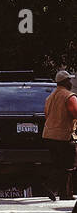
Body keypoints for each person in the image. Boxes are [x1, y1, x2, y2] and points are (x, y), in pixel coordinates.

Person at [42, 70, 77, 201]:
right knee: (69, 165)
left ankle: (64, 193)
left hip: (49, 135)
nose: (71, 83)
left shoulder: (50, 97)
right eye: (69, 80)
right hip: (64, 135)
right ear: (65, 82)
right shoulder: (69, 96)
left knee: (58, 164)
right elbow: (75, 112)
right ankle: (51, 186)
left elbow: (46, 115)